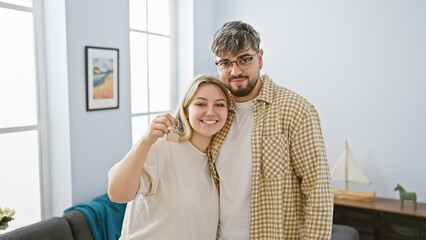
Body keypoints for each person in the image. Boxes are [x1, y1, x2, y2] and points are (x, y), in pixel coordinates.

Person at [208, 21, 334, 239]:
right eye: (225, 63)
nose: (235, 71)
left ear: (261, 57)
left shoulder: (296, 110)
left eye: (244, 59)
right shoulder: (214, 115)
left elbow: (318, 192)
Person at [108, 75, 232, 239]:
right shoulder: (162, 145)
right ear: (187, 110)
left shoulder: (218, 159)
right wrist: (146, 141)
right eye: (200, 104)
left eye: (219, 105)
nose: (210, 112)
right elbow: (117, 194)